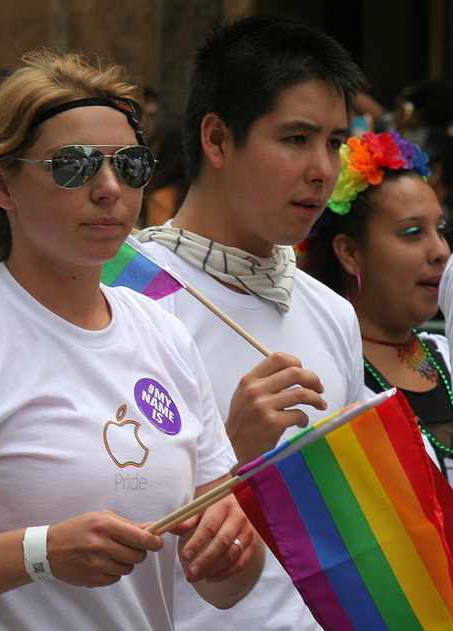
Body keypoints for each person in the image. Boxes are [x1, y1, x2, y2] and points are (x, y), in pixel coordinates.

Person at [0, 48, 264, 631]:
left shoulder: (165, 332)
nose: (109, 188)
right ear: (1, 184)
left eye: (130, 165)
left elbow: (225, 587)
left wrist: (236, 548)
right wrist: (41, 553)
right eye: (74, 165)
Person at [136, 14, 368, 631]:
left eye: (336, 142)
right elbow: (87, 525)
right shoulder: (125, 298)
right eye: (295, 139)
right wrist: (233, 455)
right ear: (216, 139)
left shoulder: (332, 312)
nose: (323, 169)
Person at [299, 130, 453, 480]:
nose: (440, 251)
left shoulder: (446, 355)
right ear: (350, 253)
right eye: (413, 233)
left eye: (440, 230)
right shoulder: (324, 379)